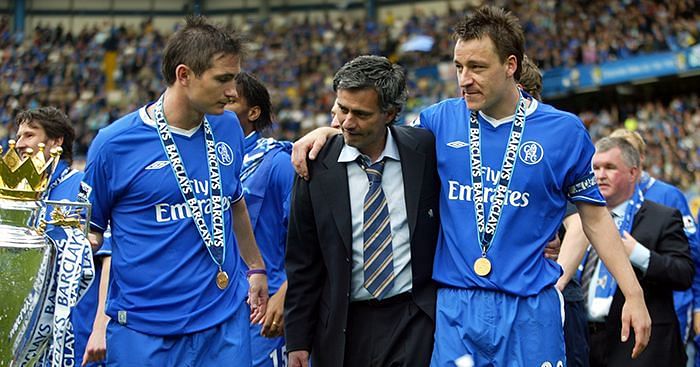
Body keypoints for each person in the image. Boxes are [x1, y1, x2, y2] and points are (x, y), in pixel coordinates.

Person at [291, 6, 651, 366]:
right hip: (456, 309)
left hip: (529, 308)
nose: (464, 79)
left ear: (510, 65)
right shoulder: (436, 121)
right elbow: (376, 136)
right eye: (459, 66)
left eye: (477, 67)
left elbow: (595, 218)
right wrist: (331, 133)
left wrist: (633, 294)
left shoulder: (565, 132)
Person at [81, 15, 268, 366]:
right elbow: (91, 234)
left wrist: (255, 267)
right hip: (145, 332)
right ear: (184, 75)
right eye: (223, 79)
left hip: (222, 323)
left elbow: (234, 202)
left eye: (235, 79)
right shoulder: (114, 145)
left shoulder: (228, 128)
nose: (233, 92)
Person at [285, 55, 440, 367]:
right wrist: (297, 341)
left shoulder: (424, 149)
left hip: (414, 319)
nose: (346, 122)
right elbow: (303, 262)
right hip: (344, 327)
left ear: (391, 113)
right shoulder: (314, 165)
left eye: (361, 113)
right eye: (342, 109)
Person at [15, 107, 111, 367]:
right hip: (29, 329)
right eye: (19, 136)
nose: (19, 144)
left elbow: (109, 258)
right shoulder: (23, 196)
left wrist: (100, 327)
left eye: (29, 135)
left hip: (75, 329)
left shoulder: (82, 187)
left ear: (56, 141)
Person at [586, 137, 693, 365]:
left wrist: (638, 254)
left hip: (640, 347)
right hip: (586, 344)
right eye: (595, 168)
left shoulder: (662, 217)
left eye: (610, 167)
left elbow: (684, 273)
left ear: (633, 173)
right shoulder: (578, 221)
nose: (600, 175)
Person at [226, 71, 294, 367]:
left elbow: (309, 237)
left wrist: (286, 292)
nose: (220, 104)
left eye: (231, 100)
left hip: (262, 307)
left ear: (252, 112)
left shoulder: (278, 162)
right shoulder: (203, 164)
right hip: (216, 305)